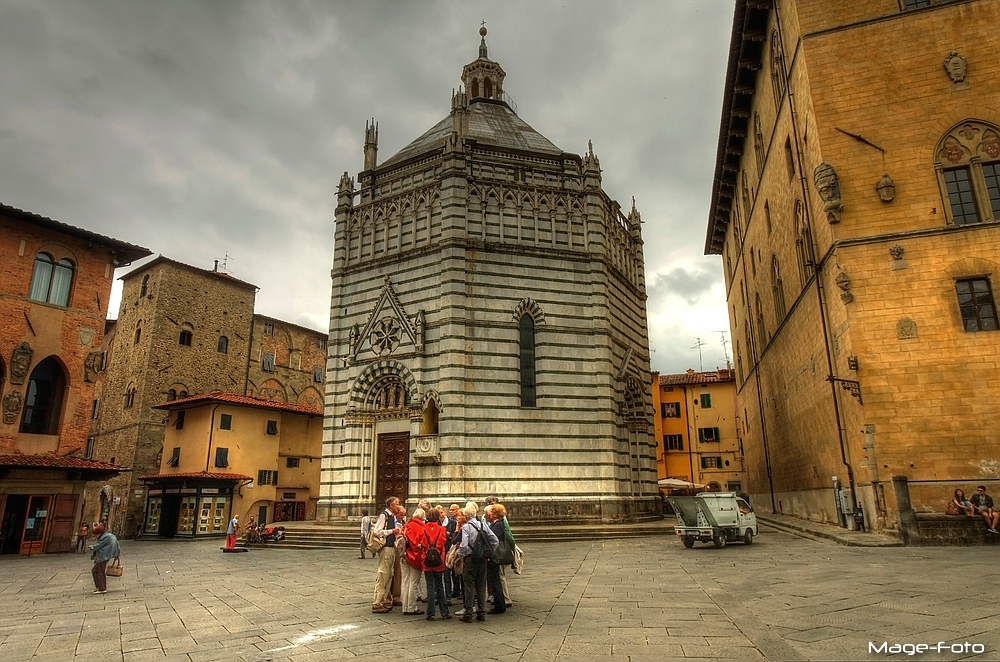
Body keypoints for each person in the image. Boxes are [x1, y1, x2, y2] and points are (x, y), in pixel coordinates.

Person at [457, 504, 498, 623]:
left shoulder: (466, 528)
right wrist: (489, 552)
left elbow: (464, 545)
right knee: (481, 585)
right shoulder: (483, 525)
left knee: (469, 586)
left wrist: (460, 555)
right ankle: (481, 613)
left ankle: (468, 613)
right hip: (482, 558)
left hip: (470, 559)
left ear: (465, 516)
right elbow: (494, 540)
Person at [371, 496, 401, 613]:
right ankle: (377, 603)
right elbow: (377, 531)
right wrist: (391, 531)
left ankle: (384, 601)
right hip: (386, 548)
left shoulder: (392, 516)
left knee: (389, 575)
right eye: (397, 504)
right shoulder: (384, 515)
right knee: (383, 574)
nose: (398, 505)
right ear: (391, 505)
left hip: (391, 548)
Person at [422, 507, 451, 621]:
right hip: (439, 559)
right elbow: (443, 542)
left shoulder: (423, 529)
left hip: (427, 559)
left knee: (430, 586)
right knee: (440, 585)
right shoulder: (442, 529)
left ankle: (430, 613)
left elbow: (422, 543)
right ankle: (444, 612)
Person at [401, 507, 427, 615]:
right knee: (413, 582)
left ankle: (405, 607)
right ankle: (411, 607)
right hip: (415, 557)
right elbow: (421, 544)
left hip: (404, 556)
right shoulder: (422, 528)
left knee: (405, 581)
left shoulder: (406, 525)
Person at [484, 505, 507, 615]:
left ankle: (500, 605)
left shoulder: (498, 525)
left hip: (495, 556)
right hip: (495, 555)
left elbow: (493, 540)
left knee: (495, 580)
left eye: (492, 513)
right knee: (495, 579)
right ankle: (500, 603)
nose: (489, 515)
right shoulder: (499, 524)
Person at [89, 524, 120, 595]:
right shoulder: (110, 536)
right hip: (107, 555)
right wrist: (117, 554)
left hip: (104, 556)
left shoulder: (104, 538)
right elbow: (117, 545)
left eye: (95, 534)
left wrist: (92, 547)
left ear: (99, 533)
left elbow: (98, 545)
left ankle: (102, 588)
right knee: (95, 570)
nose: (95, 536)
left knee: (99, 571)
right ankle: (99, 586)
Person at [446, 503, 463, 602]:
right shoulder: (451, 521)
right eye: (450, 510)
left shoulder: (460, 522)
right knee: (454, 571)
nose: (451, 511)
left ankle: (461, 590)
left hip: (460, 548)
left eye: (453, 510)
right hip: (453, 548)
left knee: (460, 570)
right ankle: (456, 589)